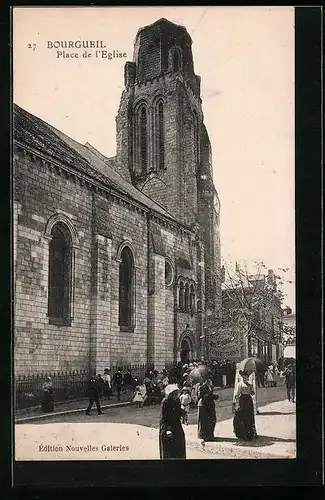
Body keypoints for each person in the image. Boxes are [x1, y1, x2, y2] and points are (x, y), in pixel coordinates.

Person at [159, 384, 186, 460]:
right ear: (170, 394)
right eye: (174, 393)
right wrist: (167, 430)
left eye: (177, 393)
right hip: (167, 426)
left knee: (179, 444)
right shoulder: (165, 402)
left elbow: (178, 410)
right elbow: (164, 417)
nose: (176, 395)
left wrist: (183, 413)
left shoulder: (177, 400)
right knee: (169, 450)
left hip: (177, 425)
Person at [233, 370, 257, 441]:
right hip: (242, 400)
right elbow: (237, 394)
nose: (245, 378)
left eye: (246, 377)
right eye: (243, 377)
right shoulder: (240, 384)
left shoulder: (250, 384)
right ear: (242, 377)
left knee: (249, 416)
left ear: (248, 377)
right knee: (243, 417)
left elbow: (252, 393)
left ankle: (249, 433)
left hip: (248, 400)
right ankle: (242, 433)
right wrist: (237, 403)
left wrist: (251, 389)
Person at [197, 379, 219, 443]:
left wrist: (214, 396)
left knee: (213, 420)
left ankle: (210, 434)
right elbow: (201, 396)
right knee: (205, 421)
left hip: (210, 406)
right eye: (207, 379)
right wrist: (211, 395)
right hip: (204, 406)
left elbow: (210, 395)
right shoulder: (202, 387)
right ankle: (206, 436)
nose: (209, 380)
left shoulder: (211, 386)